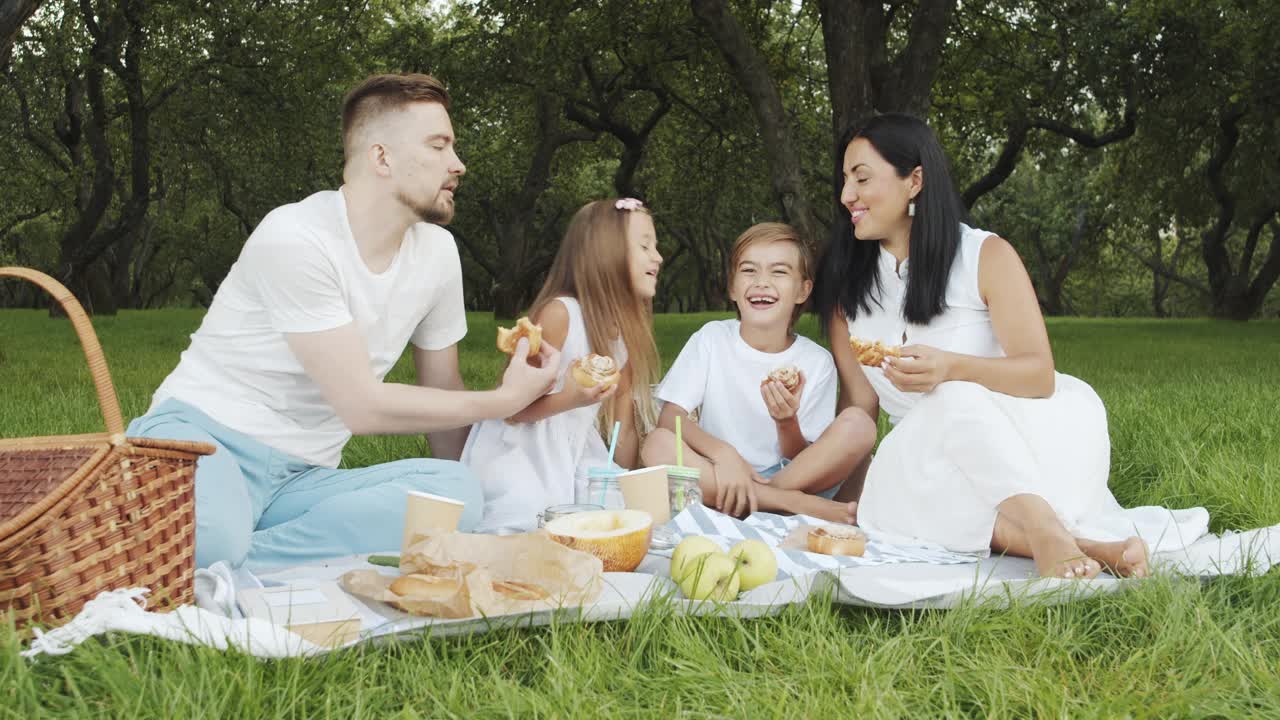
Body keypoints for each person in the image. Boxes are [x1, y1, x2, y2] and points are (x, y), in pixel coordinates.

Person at [128, 73, 558, 571]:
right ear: (382, 157)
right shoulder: (295, 236)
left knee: (456, 494)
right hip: (201, 443)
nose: (457, 165)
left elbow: (444, 389)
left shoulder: (438, 253)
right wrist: (506, 400)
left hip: (302, 477)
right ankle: (223, 552)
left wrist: (465, 523)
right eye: (439, 146)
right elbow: (362, 408)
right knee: (214, 542)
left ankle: (233, 560)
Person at [812, 113, 1208, 578]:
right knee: (885, 501)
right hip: (933, 466)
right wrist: (832, 502)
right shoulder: (847, 292)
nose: (846, 197)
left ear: (915, 180)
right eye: (844, 180)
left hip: (1033, 442)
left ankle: (1042, 525)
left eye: (861, 178)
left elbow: (1039, 376)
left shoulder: (985, 256)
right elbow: (861, 410)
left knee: (951, 392)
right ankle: (1082, 547)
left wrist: (951, 367)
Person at [641, 222, 875, 522]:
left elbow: (804, 458)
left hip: (791, 478)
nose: (762, 282)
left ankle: (762, 497)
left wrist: (786, 421)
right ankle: (787, 504)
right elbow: (670, 419)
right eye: (749, 270)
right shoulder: (712, 339)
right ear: (732, 287)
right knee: (657, 444)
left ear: (803, 290)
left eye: (779, 272)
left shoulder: (816, 361)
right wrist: (725, 454)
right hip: (719, 471)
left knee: (860, 424)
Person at [462, 198, 663, 532]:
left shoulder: (622, 336)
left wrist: (620, 481)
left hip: (573, 452)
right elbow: (512, 409)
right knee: (529, 522)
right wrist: (572, 398)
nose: (658, 256)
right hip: (521, 452)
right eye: (645, 246)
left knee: (618, 521)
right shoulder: (560, 315)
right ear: (605, 252)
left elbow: (621, 428)